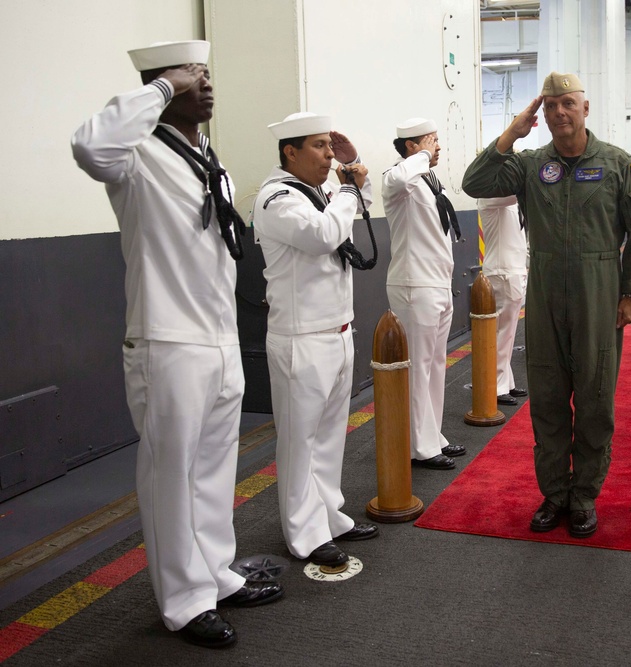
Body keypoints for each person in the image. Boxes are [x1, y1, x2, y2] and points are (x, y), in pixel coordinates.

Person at [71, 40, 282, 649]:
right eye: (194, 77)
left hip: (217, 339)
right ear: (160, 87)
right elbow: (89, 144)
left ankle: (214, 573)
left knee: (215, 472)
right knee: (171, 476)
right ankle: (184, 601)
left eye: (208, 74)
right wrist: (161, 88)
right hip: (167, 341)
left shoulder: (209, 159)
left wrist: (229, 340)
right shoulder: (134, 155)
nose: (207, 85)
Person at [462, 72, 631, 538]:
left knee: (593, 398)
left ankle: (584, 495)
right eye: (549, 106)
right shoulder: (530, 165)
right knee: (547, 399)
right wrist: (512, 131)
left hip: (598, 291)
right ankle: (554, 493)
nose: (558, 113)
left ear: (585, 109)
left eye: (567, 103)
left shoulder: (615, 164)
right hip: (545, 292)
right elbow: (474, 181)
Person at [251, 113, 380, 572]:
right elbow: (326, 235)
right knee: (299, 443)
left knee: (328, 439)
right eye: (320, 146)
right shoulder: (277, 198)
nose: (329, 155)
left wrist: (353, 163)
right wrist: (346, 190)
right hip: (300, 339)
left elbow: (359, 198)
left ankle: (327, 516)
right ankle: (303, 534)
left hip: (337, 331)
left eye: (331, 147)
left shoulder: (317, 192)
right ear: (290, 151)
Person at [381, 118, 467, 470]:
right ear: (411, 147)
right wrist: (422, 155)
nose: (438, 147)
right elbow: (400, 177)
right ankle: (420, 445)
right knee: (418, 366)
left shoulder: (430, 183)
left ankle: (433, 435)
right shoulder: (398, 181)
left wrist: (425, 153)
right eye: (431, 141)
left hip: (437, 283)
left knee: (435, 364)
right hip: (414, 284)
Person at [477, 196, 529, 406]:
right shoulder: (491, 196)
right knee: (501, 334)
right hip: (503, 273)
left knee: (507, 334)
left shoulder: (512, 202)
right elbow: (516, 191)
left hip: (513, 271)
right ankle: (496, 387)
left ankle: (506, 382)